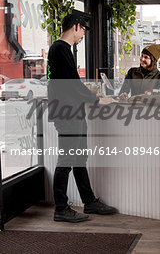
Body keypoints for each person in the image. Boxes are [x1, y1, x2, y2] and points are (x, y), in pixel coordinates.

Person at [48, 13, 117, 223]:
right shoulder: (60, 49)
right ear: (76, 27)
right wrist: (98, 100)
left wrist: (92, 96)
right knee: (67, 161)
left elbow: (70, 83)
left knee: (78, 159)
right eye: (84, 30)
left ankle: (89, 201)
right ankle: (61, 208)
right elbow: (71, 85)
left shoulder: (61, 49)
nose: (84, 34)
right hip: (67, 113)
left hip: (72, 112)